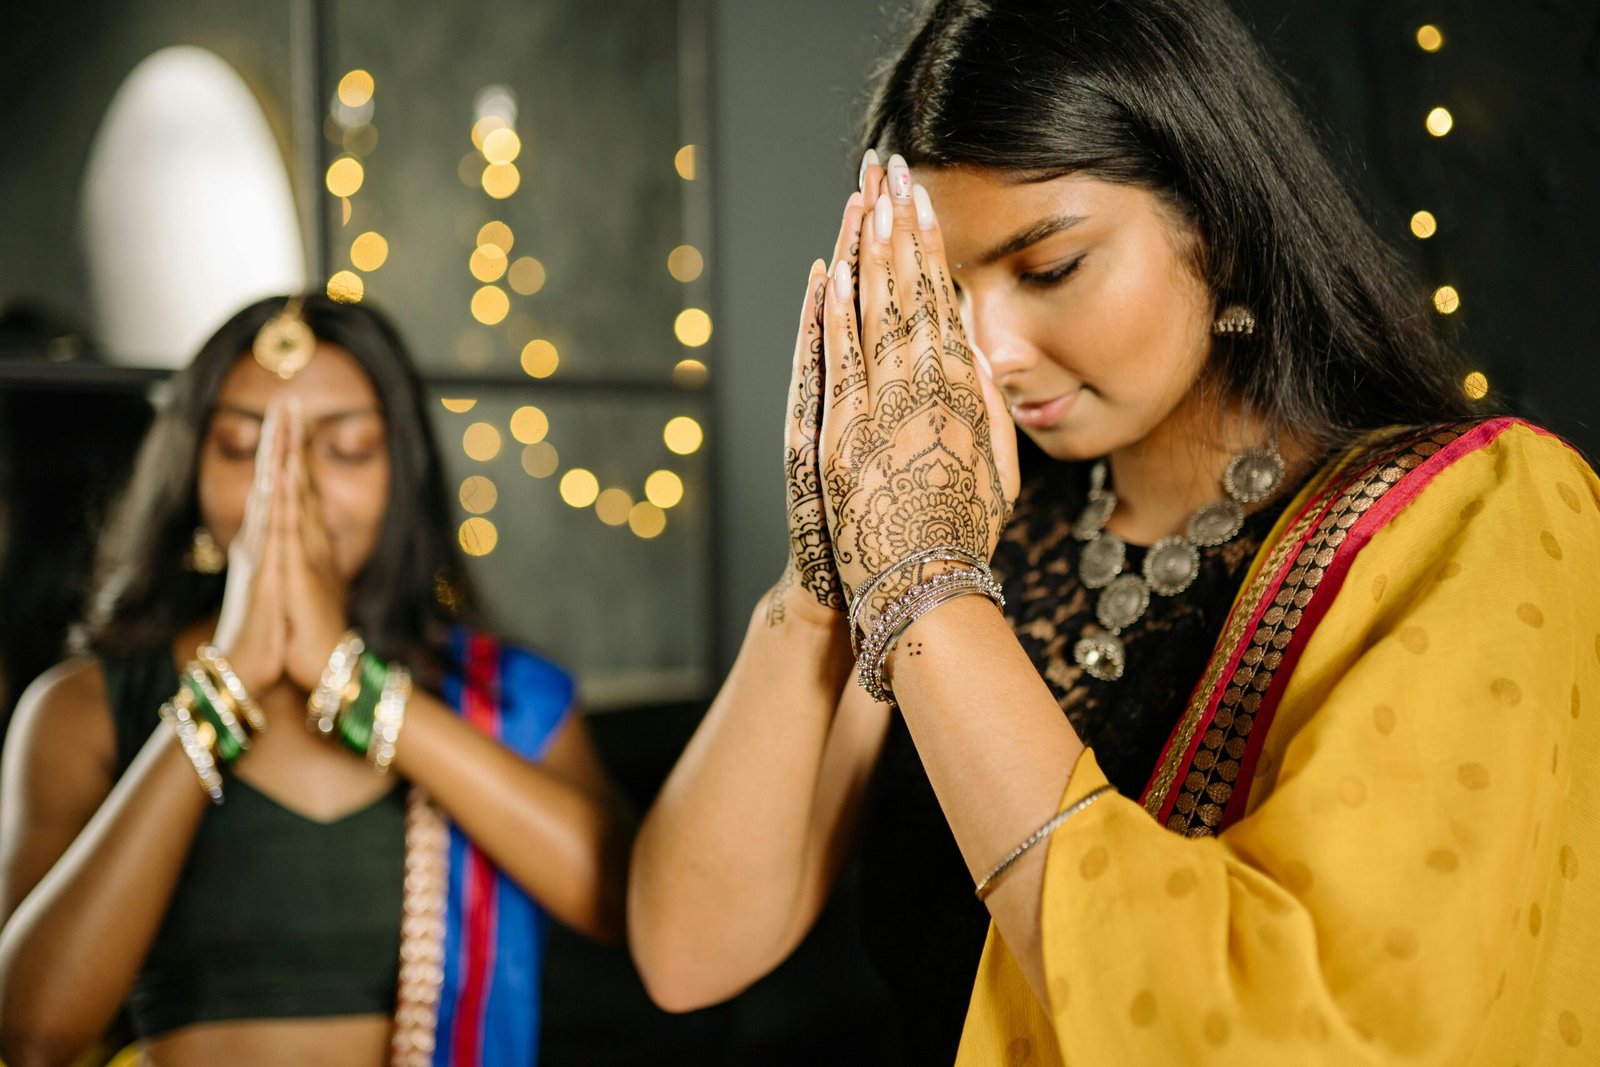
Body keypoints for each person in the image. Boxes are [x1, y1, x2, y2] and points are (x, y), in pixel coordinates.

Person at [627, 1, 1600, 1063]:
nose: (986, 349)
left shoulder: (1471, 516)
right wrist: (831, 562)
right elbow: (690, 951)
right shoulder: (964, 528)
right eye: (940, 292)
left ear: (1220, 229)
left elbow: (1305, 1029)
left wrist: (924, 580)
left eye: (1048, 268)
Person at [0, 294, 630, 1067]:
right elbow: (29, 1033)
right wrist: (227, 682)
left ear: (403, 473)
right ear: (190, 470)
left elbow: (627, 902)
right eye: (241, 446)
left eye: (348, 447)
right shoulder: (85, 708)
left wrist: (346, 676)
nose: (289, 484)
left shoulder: (500, 697)